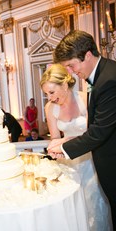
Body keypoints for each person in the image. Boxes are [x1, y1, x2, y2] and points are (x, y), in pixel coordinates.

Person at [41, 62, 112, 230]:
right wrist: (53, 147)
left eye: (52, 92)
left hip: (91, 161)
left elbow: (95, 134)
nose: (50, 97)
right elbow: (55, 138)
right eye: (46, 94)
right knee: (71, 208)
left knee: (93, 206)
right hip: (67, 165)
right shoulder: (50, 108)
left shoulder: (85, 99)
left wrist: (66, 143)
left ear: (65, 84)